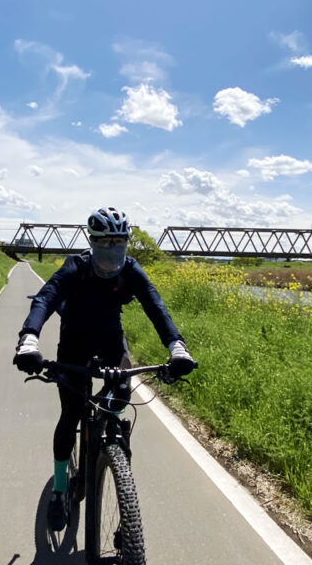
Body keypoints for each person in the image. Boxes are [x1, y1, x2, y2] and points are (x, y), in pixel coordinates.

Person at [13, 206, 196, 532]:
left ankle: (116, 472)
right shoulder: (77, 267)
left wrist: (177, 347)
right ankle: (59, 488)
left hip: (112, 341)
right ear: (93, 242)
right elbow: (45, 299)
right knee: (70, 415)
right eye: (105, 243)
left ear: (126, 242)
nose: (113, 250)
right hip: (74, 342)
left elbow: (156, 306)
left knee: (119, 401)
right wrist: (29, 339)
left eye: (119, 242)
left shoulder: (130, 270)